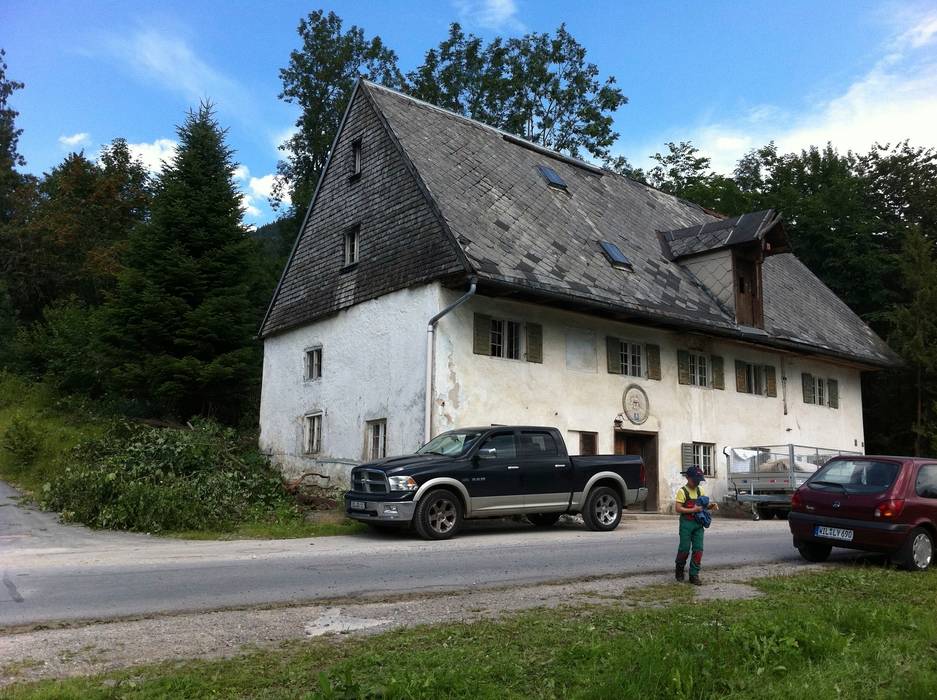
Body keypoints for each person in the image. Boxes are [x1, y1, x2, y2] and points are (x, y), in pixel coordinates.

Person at [674, 465, 718, 585]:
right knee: (684, 548)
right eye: (695, 480)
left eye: (699, 480)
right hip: (686, 524)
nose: (697, 482)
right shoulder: (682, 491)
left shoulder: (700, 491)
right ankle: (679, 569)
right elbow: (678, 508)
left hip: (698, 525)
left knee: (698, 549)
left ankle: (694, 575)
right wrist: (694, 510)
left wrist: (710, 506)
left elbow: (703, 506)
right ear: (688, 478)